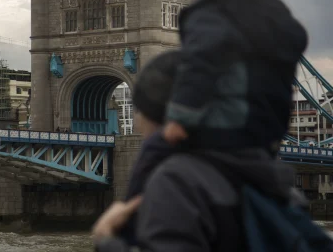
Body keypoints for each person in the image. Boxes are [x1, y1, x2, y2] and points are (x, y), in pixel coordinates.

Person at [92, 50, 315, 251]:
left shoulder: (175, 183)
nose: (136, 121)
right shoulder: (277, 185)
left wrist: (107, 241)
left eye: (138, 109)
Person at [164, 0, 308, 155]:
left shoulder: (209, 16)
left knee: (158, 151)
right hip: (270, 134)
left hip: (225, 132)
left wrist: (179, 118)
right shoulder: (278, 17)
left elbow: (199, 66)